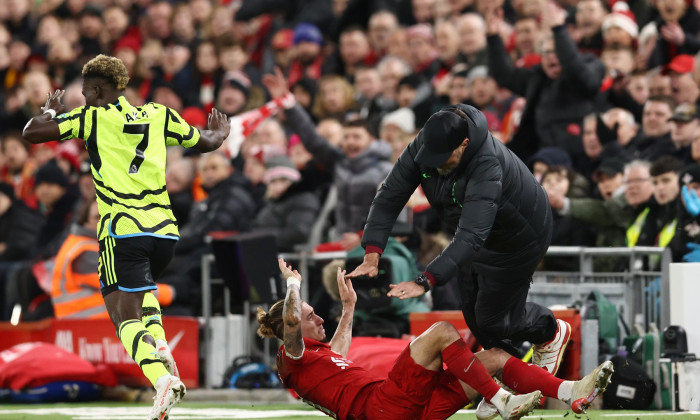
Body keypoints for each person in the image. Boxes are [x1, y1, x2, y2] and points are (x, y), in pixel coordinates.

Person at [21, 54, 231, 420]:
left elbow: (32, 132)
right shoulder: (159, 113)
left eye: (86, 92)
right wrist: (222, 133)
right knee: (144, 294)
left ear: (98, 90)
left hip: (123, 229)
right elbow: (207, 141)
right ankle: (161, 347)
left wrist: (51, 112)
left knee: (123, 318)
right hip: (165, 232)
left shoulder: (91, 118)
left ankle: (160, 380)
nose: (83, 98)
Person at [345, 103, 571, 417]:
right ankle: (501, 388)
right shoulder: (423, 147)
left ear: (464, 144)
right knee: (476, 319)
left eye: (444, 159)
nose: (436, 167)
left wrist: (425, 280)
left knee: (494, 318)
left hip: (517, 236)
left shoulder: (487, 163)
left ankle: (549, 331)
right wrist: (372, 254)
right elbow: (388, 197)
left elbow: (472, 237)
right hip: (472, 232)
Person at [257, 258, 614, 420]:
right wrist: (293, 284)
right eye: (309, 316)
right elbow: (291, 318)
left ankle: (570, 393)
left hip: (407, 411)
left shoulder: (316, 357)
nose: (318, 317)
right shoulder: (291, 357)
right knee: (442, 332)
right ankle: (500, 400)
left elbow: (339, 353)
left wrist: (348, 307)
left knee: (494, 358)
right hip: (382, 408)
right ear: (291, 328)